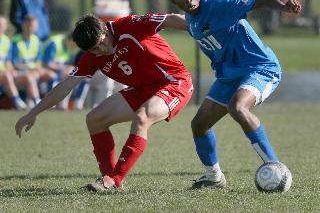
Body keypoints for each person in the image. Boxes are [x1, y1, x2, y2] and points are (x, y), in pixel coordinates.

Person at [15, 13, 193, 191]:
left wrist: (199, 27)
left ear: (105, 29)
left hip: (174, 81)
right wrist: (33, 112)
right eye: (94, 49)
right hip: (142, 90)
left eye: (102, 42)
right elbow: (66, 85)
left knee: (142, 117)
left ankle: (114, 180)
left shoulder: (129, 25)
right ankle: (109, 179)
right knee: (95, 118)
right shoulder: (92, 56)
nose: (102, 50)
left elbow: (169, 19)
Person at [168, 0, 302, 189]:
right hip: (229, 75)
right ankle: (214, 178)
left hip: (260, 67)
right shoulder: (191, 21)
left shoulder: (219, 3)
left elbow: (260, 0)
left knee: (238, 108)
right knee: (199, 125)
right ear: (174, 1)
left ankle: (275, 167)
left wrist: (282, 6)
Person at [11, 15, 57, 107]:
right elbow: (14, 64)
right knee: (31, 77)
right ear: (23, 26)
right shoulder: (15, 41)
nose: (31, 28)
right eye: (29, 26)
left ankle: (50, 101)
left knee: (52, 75)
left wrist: (36, 68)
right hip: (19, 74)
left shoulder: (37, 41)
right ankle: (37, 102)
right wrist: (32, 67)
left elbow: (39, 62)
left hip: (33, 71)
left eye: (33, 26)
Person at [43, 33, 78, 110]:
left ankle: (63, 105)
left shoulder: (69, 47)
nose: (75, 47)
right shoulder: (54, 43)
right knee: (69, 73)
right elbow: (47, 63)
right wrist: (62, 68)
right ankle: (51, 103)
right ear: (70, 40)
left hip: (60, 72)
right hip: (46, 71)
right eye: (75, 44)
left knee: (72, 73)